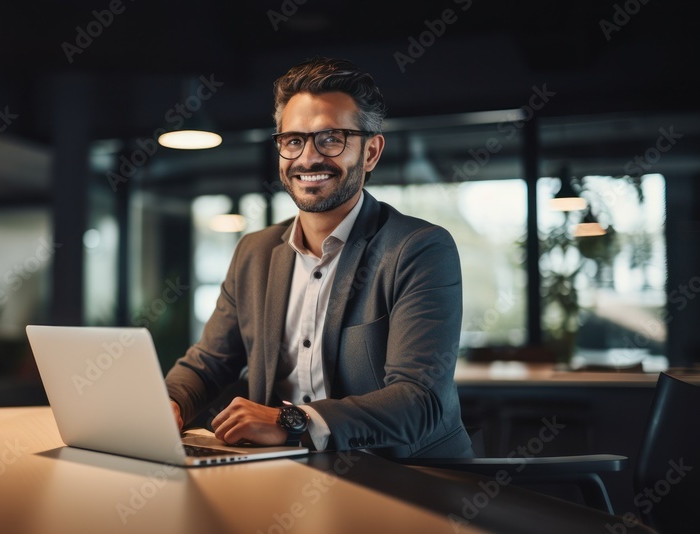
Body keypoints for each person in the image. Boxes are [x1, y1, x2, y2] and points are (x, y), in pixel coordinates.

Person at [165, 56, 472, 458]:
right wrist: (169, 403)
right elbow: (208, 364)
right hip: (285, 472)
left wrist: (292, 423)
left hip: (406, 479)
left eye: (331, 138)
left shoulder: (419, 249)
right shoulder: (254, 253)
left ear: (371, 152)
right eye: (293, 140)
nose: (308, 158)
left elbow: (419, 401)